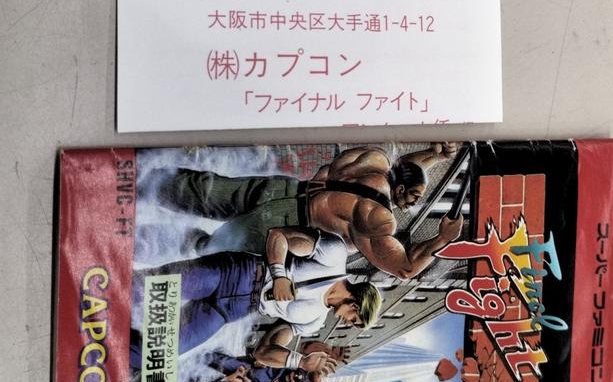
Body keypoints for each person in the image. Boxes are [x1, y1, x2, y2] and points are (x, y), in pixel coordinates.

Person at [160, 143, 464, 280]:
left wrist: (433, 156)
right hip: (282, 222)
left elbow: (404, 170)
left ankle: (148, 181)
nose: (412, 204)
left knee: (202, 190)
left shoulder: (375, 160)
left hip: (283, 189)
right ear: (401, 189)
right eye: (413, 196)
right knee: (208, 249)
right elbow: (405, 269)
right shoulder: (379, 218)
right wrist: (442, 239)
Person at [132, 225, 381, 359]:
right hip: (237, 273)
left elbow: (264, 352)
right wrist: (280, 275)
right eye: (354, 320)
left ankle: (112, 343)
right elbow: (279, 235)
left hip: (231, 310)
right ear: (356, 305)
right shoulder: (335, 255)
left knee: (160, 354)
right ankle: (109, 287)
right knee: (151, 286)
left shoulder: (314, 321)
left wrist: (299, 362)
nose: (347, 322)